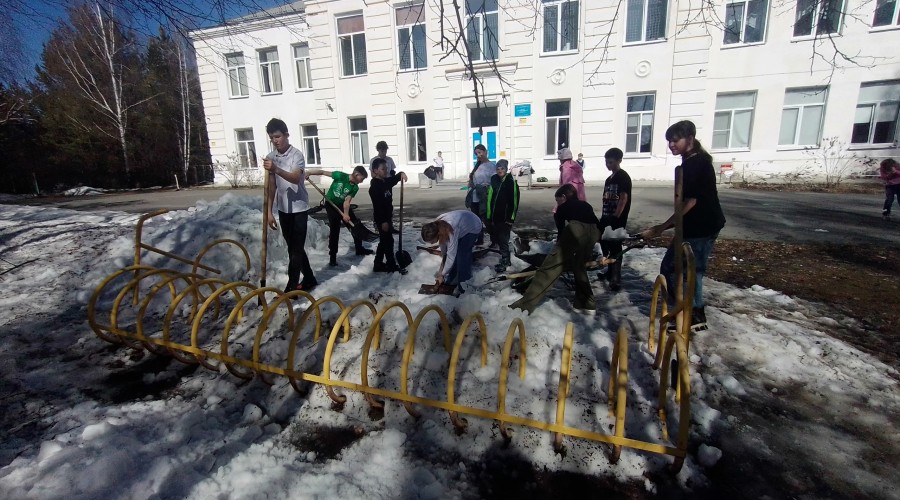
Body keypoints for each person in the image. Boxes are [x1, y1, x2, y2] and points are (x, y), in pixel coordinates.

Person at [640, 120, 726, 332]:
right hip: (694, 226)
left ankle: (689, 314)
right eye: (669, 141)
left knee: (677, 268)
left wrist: (661, 227)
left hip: (702, 226)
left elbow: (691, 201)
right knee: (685, 270)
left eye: (675, 140)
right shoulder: (691, 161)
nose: (671, 145)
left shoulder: (697, 164)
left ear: (690, 138)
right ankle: (691, 313)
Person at [510, 184, 601, 315]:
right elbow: (597, 225)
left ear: (564, 197)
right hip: (594, 232)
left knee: (549, 269)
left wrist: (555, 255)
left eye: (557, 200)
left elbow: (562, 232)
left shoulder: (562, 208)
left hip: (576, 230)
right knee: (579, 266)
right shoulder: (586, 205)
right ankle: (587, 302)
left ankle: (523, 306)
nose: (557, 203)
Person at [263, 118, 317, 293]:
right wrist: (269, 212)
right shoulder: (271, 157)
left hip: (300, 209)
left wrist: (276, 169)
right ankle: (309, 278)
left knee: (295, 250)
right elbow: (272, 186)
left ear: (286, 135)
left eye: (277, 136)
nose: (275, 140)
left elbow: (295, 178)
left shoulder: (297, 155)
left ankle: (291, 287)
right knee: (294, 248)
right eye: (272, 138)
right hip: (283, 209)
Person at [307, 166, 373, 267]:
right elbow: (323, 172)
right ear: (356, 174)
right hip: (331, 204)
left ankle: (359, 248)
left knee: (355, 224)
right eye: (362, 178)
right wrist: (309, 172)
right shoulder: (340, 176)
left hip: (342, 205)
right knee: (335, 229)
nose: (361, 181)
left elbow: (347, 202)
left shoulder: (355, 187)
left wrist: (346, 214)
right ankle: (332, 257)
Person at [421, 210, 483, 297]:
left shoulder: (450, 231)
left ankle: (464, 286)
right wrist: (441, 272)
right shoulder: (436, 226)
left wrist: (442, 274)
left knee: (462, 256)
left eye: (431, 241)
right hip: (463, 225)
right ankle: (450, 279)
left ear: (438, 234)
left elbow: (451, 256)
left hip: (473, 225)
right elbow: (444, 251)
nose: (431, 244)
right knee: (455, 255)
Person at [598, 147, 632, 291]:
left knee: (615, 246)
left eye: (611, 162)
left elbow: (623, 198)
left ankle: (615, 278)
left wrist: (616, 216)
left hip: (616, 218)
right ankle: (610, 272)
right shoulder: (609, 179)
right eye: (606, 162)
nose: (608, 165)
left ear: (619, 161)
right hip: (606, 216)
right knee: (605, 243)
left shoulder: (623, 177)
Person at [369, 157, 408, 273]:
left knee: (384, 241)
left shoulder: (386, 182)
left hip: (387, 217)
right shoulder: (374, 188)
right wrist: (383, 222)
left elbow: (395, 178)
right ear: (375, 170)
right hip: (381, 219)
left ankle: (378, 264)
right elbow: (378, 206)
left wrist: (402, 174)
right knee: (388, 241)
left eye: (386, 168)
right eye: (383, 169)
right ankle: (391, 265)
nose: (386, 171)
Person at [486, 159, 520, 272]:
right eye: (498, 168)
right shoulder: (494, 179)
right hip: (495, 216)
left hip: (505, 218)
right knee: (499, 239)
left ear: (506, 169)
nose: (500, 170)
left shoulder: (510, 181)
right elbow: (491, 197)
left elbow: (514, 202)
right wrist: (489, 215)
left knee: (503, 239)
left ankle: (506, 260)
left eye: (502, 168)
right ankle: (504, 257)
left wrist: (511, 218)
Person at [468, 144, 494, 244]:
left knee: (487, 220)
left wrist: (486, 188)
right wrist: (471, 183)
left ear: (485, 152)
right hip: (474, 197)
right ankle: (479, 239)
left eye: (480, 152)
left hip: (484, 198)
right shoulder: (477, 166)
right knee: (476, 220)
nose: (478, 155)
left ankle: (494, 240)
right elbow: (473, 180)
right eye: (476, 154)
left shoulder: (491, 166)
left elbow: (493, 182)